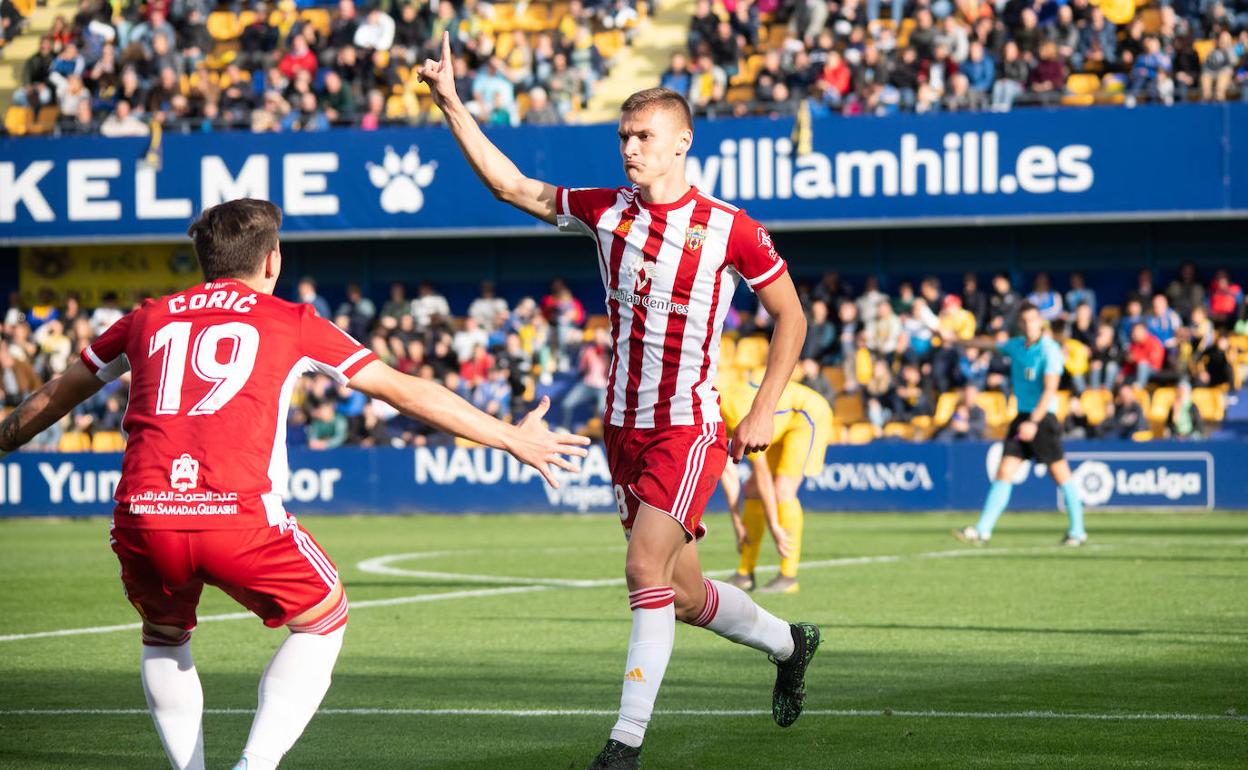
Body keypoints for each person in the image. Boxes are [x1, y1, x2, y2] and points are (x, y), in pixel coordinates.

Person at [0, 199, 589, 770]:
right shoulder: (292, 321)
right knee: (324, 617)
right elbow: (402, 389)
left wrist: (5, 439)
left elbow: (58, 393)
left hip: (143, 514)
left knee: (163, 637)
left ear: (204, 260)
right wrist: (509, 436)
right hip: (238, 516)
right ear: (272, 261)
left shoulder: (147, 317)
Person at [419, 34, 819, 770]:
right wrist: (451, 103)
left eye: (644, 137)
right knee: (685, 590)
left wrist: (764, 405)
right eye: (624, 137)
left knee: (642, 570)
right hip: (623, 429)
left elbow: (792, 316)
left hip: (689, 427)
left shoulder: (731, 228)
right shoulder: (608, 212)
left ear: (682, 144)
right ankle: (791, 643)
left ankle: (623, 744)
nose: (630, 148)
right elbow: (513, 187)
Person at [954, 302, 1087, 547]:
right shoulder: (1016, 346)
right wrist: (956, 339)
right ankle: (982, 530)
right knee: (1004, 471)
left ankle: (1077, 530)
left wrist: (1033, 422)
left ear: (1040, 322)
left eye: (1032, 320)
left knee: (1060, 474)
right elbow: (987, 344)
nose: (1028, 325)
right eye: (1024, 321)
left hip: (1042, 419)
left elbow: (1049, 391)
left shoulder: (1049, 350)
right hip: (1022, 417)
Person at [718, 378, 833, 594]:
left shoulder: (733, 409)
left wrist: (775, 526)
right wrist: (736, 523)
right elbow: (726, 470)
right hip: (781, 423)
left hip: (807, 415)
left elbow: (762, 474)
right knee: (751, 491)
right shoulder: (708, 416)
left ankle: (788, 577)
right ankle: (744, 573)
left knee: (782, 490)